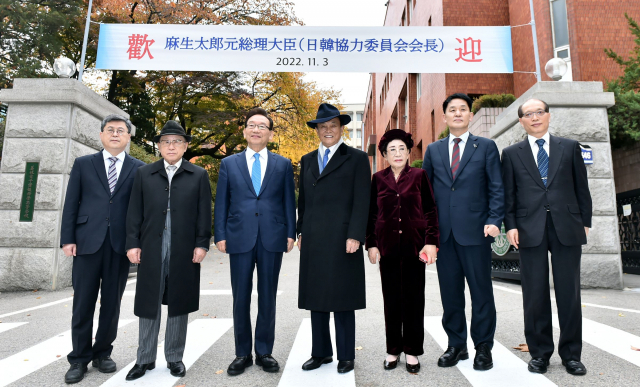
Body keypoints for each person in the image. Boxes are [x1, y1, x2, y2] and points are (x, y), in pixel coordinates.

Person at [502, 99, 591, 376]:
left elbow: (581, 186)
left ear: (548, 116)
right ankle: (539, 353)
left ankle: (572, 355)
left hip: (567, 224)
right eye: (528, 114)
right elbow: (509, 195)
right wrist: (511, 225)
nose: (535, 117)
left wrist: (585, 221)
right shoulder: (511, 153)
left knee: (569, 292)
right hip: (529, 227)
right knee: (535, 293)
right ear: (521, 121)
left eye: (539, 112)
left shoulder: (570, 146)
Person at [422, 93, 504, 371]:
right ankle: (456, 345)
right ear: (445, 117)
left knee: (481, 292)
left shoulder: (486, 147)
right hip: (444, 236)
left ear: (470, 115)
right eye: (452, 110)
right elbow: (427, 194)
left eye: (463, 109)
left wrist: (495, 219)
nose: (457, 113)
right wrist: (428, 235)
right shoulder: (433, 150)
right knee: (450, 294)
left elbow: (496, 186)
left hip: (476, 232)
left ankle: (483, 347)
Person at [60, 114, 145, 384]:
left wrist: (137, 242)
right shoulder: (84, 164)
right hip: (86, 242)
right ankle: (79, 358)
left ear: (129, 137)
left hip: (119, 245)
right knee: (82, 302)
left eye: (121, 130)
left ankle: (103, 353)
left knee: (111, 303)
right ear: (102, 135)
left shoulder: (139, 168)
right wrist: (67, 238)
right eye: (111, 130)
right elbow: (72, 202)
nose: (116, 134)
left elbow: (140, 211)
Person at [124, 121, 212, 381]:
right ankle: (144, 359)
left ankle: (174, 357)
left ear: (185, 146)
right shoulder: (144, 173)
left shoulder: (198, 174)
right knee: (149, 300)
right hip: (152, 244)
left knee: (179, 301)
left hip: (184, 246)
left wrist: (201, 243)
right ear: (159, 146)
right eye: (166, 142)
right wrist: (132, 243)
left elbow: (203, 213)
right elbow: (134, 212)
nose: (171, 146)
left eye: (177, 142)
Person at [214, 108, 296, 375]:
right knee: (240, 297)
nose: (257, 129)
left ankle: (264, 351)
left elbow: (288, 200)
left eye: (262, 126)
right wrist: (220, 234)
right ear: (245, 131)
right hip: (239, 236)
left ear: (270, 134)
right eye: (252, 125)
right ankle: (241, 353)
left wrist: (291, 233)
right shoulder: (229, 164)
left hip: (272, 237)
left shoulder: (282, 164)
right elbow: (223, 202)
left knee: (268, 296)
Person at [297, 103, 371, 374]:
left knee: (343, 298)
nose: (328, 130)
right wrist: (301, 230)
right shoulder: (306, 160)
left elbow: (363, 201)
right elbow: (303, 201)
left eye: (333, 126)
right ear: (317, 130)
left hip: (343, 239)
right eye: (323, 126)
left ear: (342, 129)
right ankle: (321, 353)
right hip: (314, 238)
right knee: (316, 297)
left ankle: (346, 355)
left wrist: (355, 235)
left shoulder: (357, 158)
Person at [365, 129, 439, 373]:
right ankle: (393, 348)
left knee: (414, 300)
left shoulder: (419, 175)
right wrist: (372, 244)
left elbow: (430, 210)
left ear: (409, 152)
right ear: (385, 154)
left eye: (401, 149)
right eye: (391, 150)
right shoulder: (378, 178)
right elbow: (372, 214)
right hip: (387, 248)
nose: (397, 153)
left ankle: (412, 351)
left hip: (415, 247)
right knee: (392, 301)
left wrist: (431, 241)